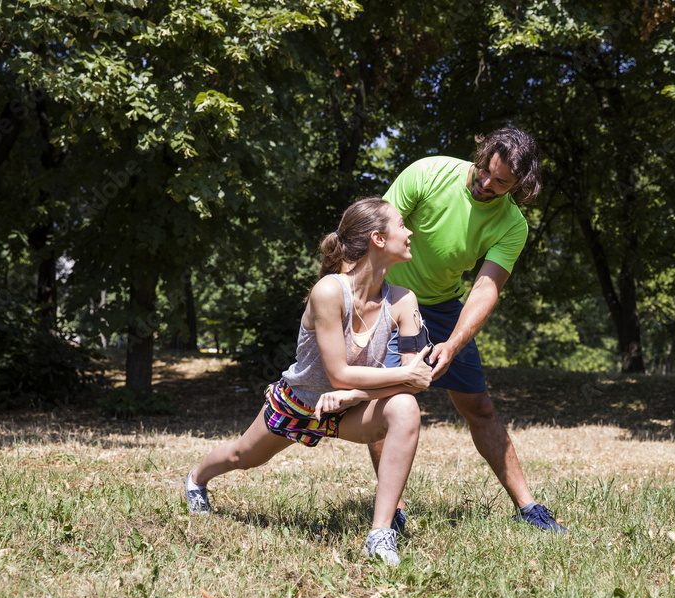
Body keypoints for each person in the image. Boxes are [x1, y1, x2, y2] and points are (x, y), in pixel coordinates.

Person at [185, 197, 433, 565]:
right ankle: (196, 480)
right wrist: (360, 386)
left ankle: (381, 533)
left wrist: (353, 396)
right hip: (299, 402)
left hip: (350, 410)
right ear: (379, 239)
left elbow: (416, 381)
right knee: (242, 456)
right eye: (401, 224)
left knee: (405, 408)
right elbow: (339, 374)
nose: (409, 232)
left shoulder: (403, 301)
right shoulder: (330, 291)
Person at [373, 127, 568, 533]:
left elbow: (486, 287)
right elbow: (372, 234)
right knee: (387, 403)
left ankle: (529, 507)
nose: (485, 184)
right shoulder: (429, 173)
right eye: (485, 171)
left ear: (518, 188)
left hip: (443, 306)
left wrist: (454, 342)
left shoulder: (512, 225)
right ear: (481, 155)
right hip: (388, 298)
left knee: (479, 407)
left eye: (501, 183)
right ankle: (393, 514)